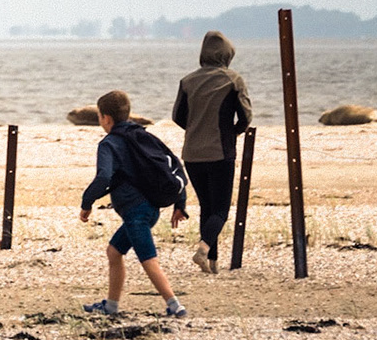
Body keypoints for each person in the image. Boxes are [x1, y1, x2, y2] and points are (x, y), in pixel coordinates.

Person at [79, 90, 188, 318]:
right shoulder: (143, 136)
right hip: (151, 209)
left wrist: (87, 202)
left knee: (148, 258)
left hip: (135, 212)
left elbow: (103, 177)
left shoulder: (108, 144)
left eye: (100, 116)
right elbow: (171, 166)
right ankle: (111, 306)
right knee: (113, 252)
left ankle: (175, 305)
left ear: (106, 118)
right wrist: (180, 202)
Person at [171, 29, 253, 274]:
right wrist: (232, 133)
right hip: (220, 152)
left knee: (207, 207)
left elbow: (178, 116)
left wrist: (195, 129)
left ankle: (212, 263)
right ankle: (204, 249)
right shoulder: (233, 80)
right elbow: (246, 116)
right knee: (221, 210)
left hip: (192, 154)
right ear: (227, 55)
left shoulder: (187, 81)